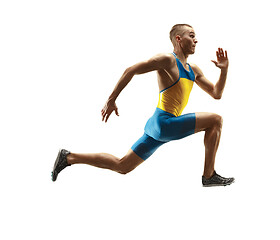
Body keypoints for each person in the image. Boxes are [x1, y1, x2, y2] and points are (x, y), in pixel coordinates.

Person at [52, 24, 234, 187]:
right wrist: (111, 99)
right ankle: (209, 175)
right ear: (178, 39)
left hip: (159, 126)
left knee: (122, 165)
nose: (196, 40)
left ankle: (68, 157)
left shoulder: (194, 70)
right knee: (215, 120)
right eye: (191, 35)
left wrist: (224, 71)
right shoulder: (168, 60)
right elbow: (131, 70)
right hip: (165, 123)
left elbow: (216, 93)